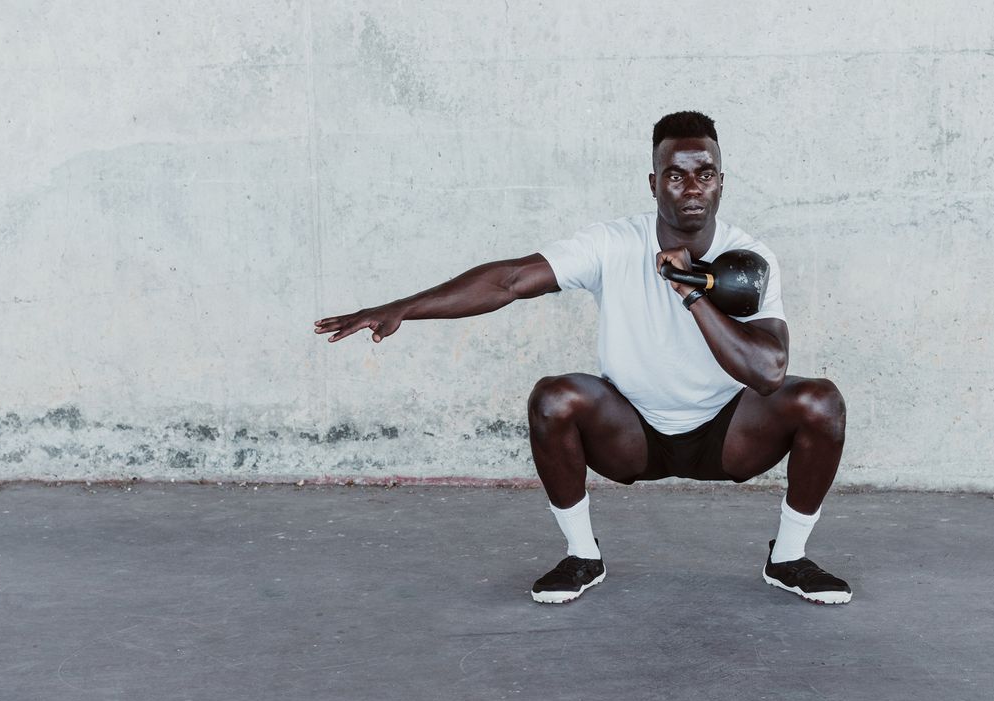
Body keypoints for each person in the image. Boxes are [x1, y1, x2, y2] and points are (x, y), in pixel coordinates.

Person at [314, 111, 851, 605]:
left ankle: (788, 560)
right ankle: (581, 556)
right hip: (631, 435)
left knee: (821, 403)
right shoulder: (613, 244)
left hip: (729, 433)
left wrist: (691, 292)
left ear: (721, 182)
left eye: (705, 174)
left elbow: (767, 372)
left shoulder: (751, 257)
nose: (692, 188)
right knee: (554, 398)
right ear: (653, 181)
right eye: (676, 174)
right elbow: (510, 281)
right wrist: (404, 308)